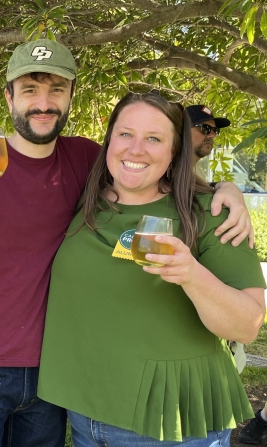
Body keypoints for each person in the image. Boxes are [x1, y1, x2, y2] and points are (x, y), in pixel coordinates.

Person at [0, 39, 254, 447]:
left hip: (55, 373)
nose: (43, 103)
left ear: (71, 95)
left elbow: (147, 170)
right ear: (9, 97)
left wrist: (223, 188)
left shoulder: (88, 160)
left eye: (56, 89)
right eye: (30, 90)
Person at [37, 91, 265, 446]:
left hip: (170, 422)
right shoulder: (87, 198)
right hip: (85, 411)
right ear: (109, 140)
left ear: (175, 151)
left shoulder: (211, 213)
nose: (136, 149)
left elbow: (247, 325)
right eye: (126, 134)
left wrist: (191, 274)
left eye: (154, 138)